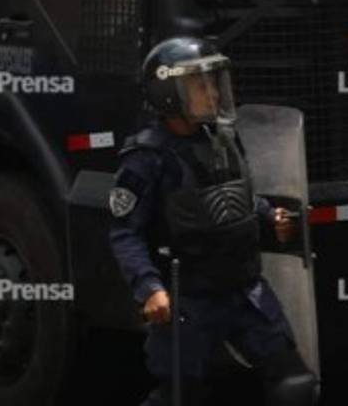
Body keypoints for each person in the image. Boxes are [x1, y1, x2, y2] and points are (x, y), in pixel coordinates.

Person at [108, 37, 317, 406]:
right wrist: (150, 288)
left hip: (244, 290)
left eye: (213, 82)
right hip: (189, 299)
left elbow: (237, 195)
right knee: (181, 397)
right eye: (199, 85)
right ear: (168, 92)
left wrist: (270, 216)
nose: (213, 93)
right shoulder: (148, 156)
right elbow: (126, 233)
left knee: (295, 385)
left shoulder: (224, 138)